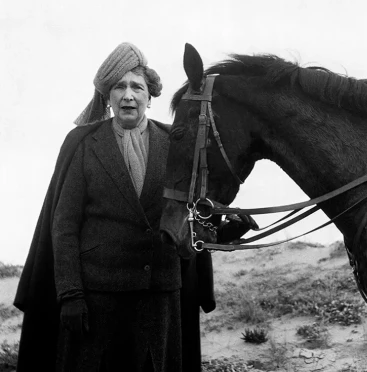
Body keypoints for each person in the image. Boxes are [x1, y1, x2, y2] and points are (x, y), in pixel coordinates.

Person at [14, 43, 219, 371]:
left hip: (161, 301)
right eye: (118, 87)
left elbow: (194, 212)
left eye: (137, 87)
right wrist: (70, 295)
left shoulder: (175, 144)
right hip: (98, 302)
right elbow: (64, 226)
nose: (128, 95)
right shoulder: (83, 144)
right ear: (107, 97)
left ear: (149, 97)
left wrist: (222, 226)